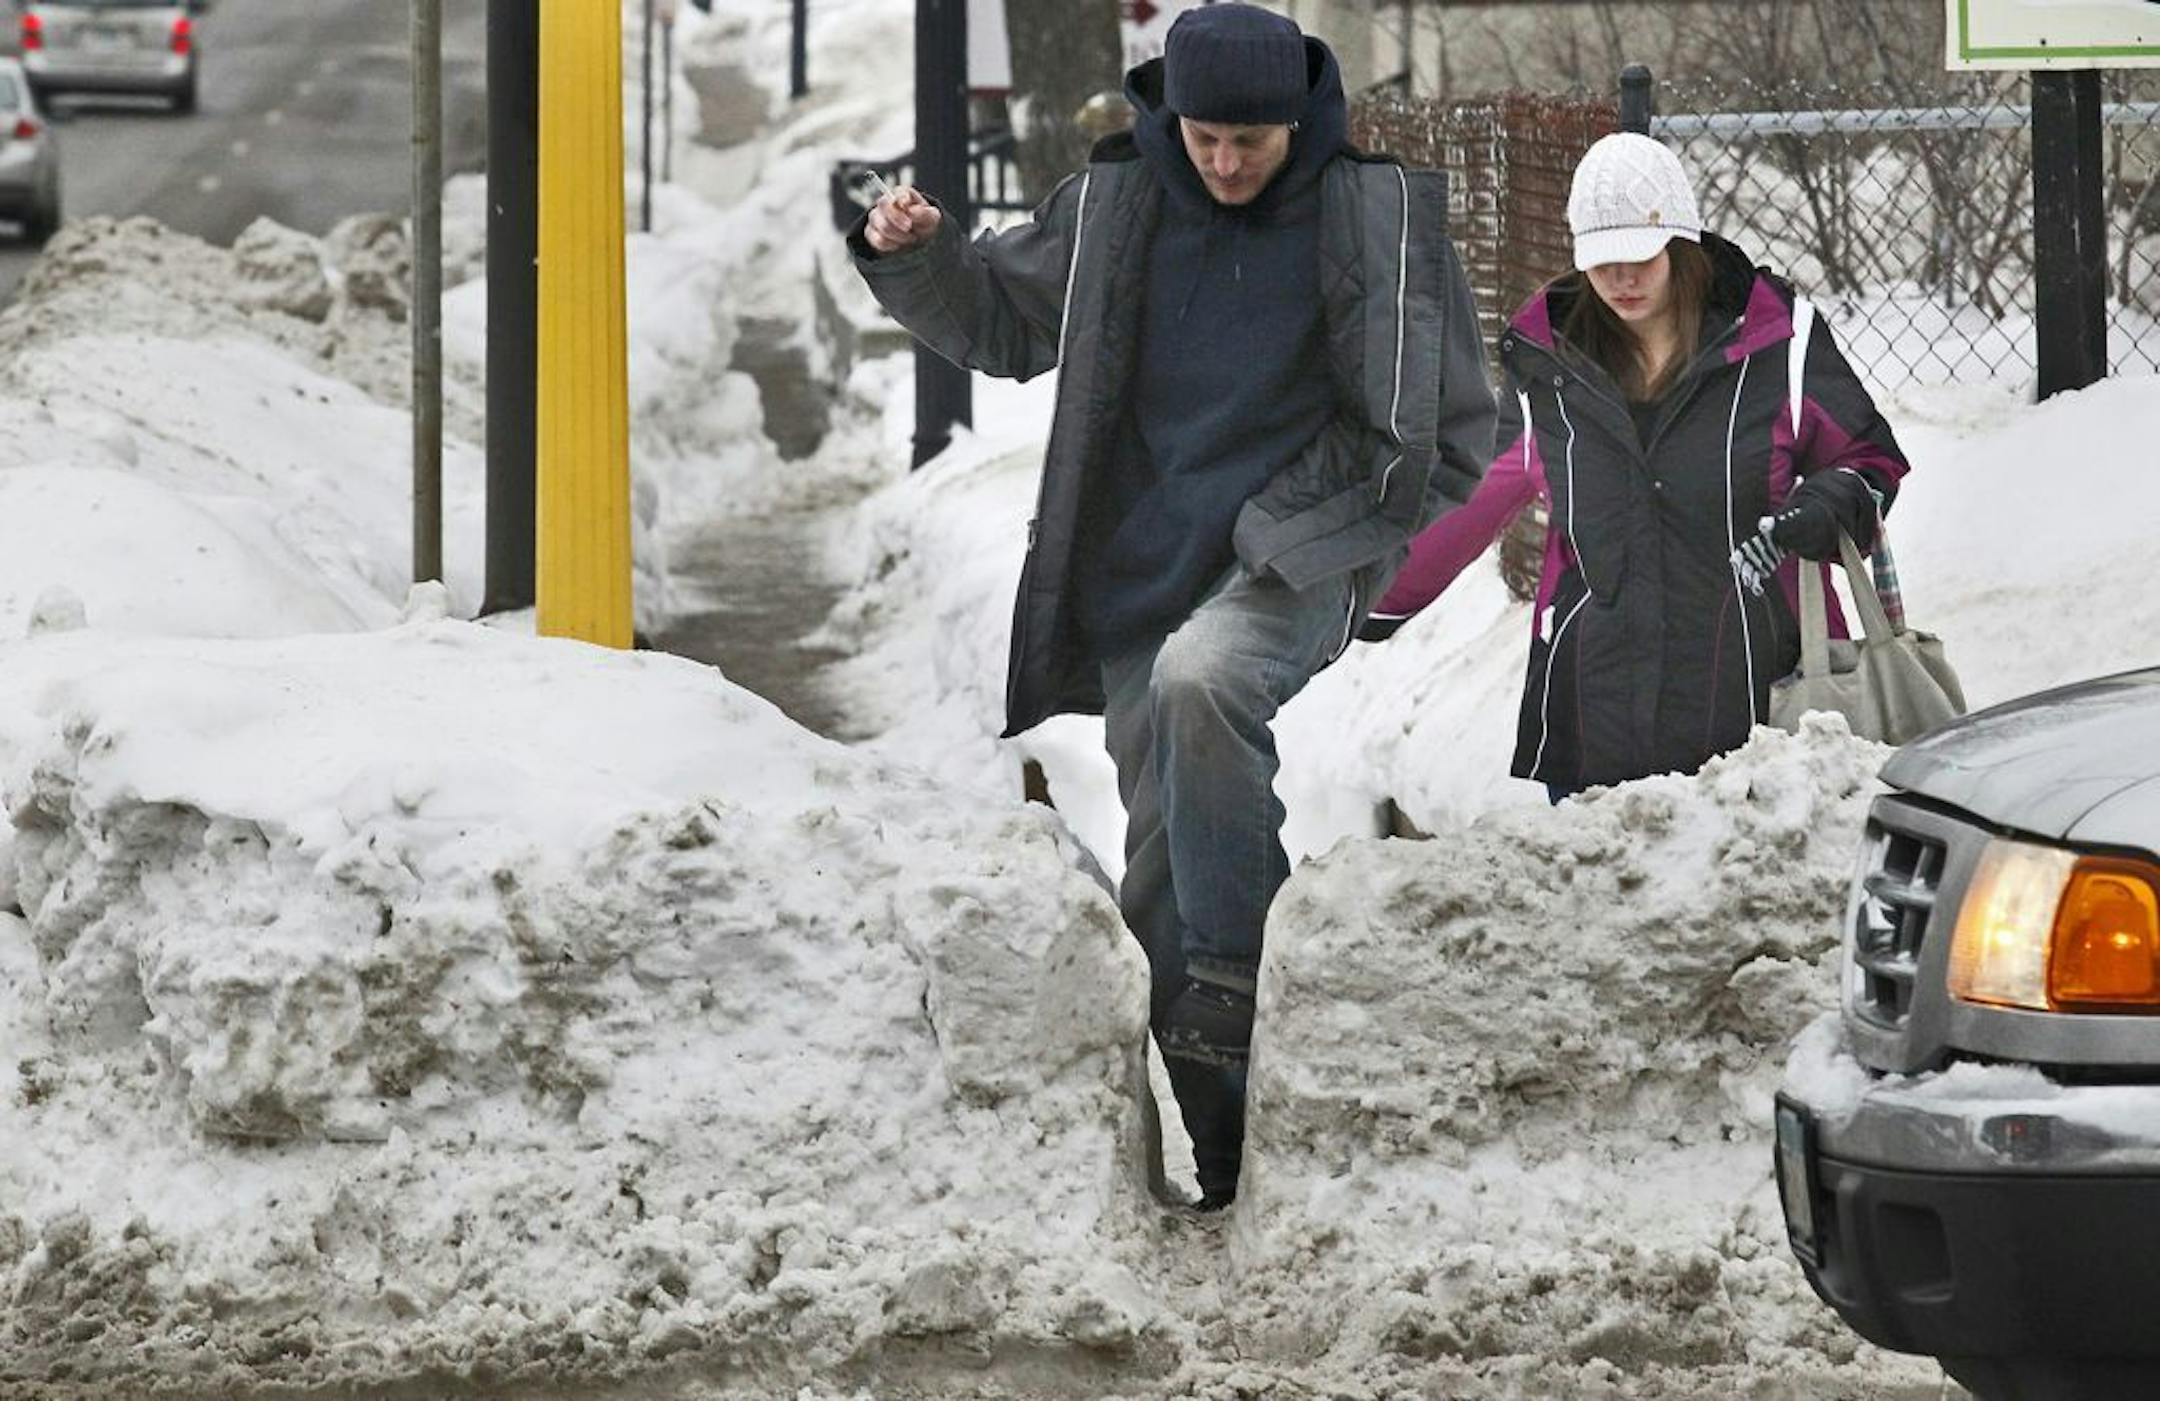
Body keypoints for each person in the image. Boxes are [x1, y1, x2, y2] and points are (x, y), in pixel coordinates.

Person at [847, 3, 1495, 1209]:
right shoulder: (1116, 204)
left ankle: (1246, 1010)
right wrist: (919, 255)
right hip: (1146, 566)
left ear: (1297, 124)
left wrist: (1320, 530)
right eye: (1205, 137)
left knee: (1206, 684)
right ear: (1172, 116)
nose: (1227, 162)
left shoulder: (1373, 215)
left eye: (1251, 141)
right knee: (1161, 864)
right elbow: (997, 320)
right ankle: (1235, 1142)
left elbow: (1455, 431)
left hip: (1293, 553)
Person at [1359, 132, 1910, 799]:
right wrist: (1364, 599)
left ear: (1680, 242)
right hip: (1595, 713)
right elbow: (1473, 491)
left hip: (1759, 710)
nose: (1621, 278)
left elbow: (1869, 457)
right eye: (1601, 259)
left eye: (1641, 257)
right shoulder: (1548, 366)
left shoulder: (1778, 343)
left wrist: (1824, 506)